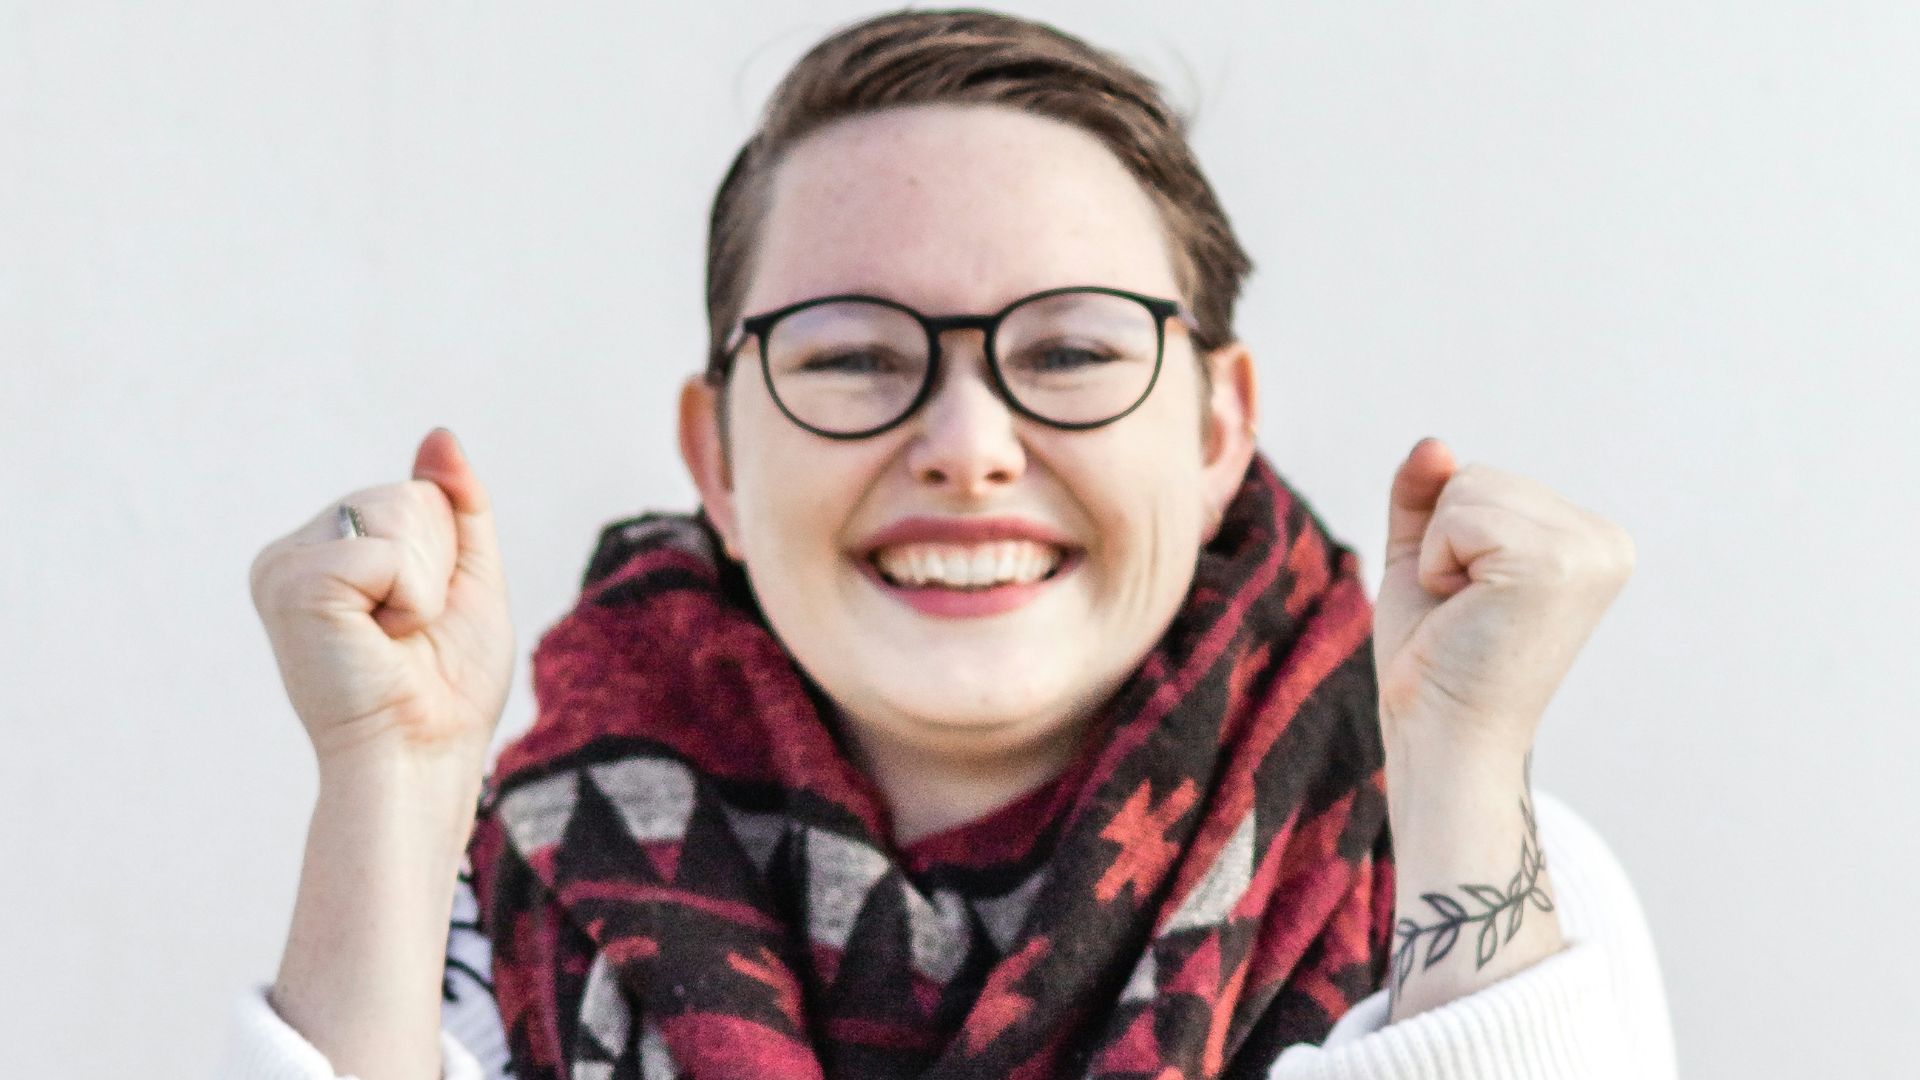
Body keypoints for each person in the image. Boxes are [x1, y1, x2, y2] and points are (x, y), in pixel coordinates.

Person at [221, 9, 1674, 1079]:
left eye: (1072, 349)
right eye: (851, 357)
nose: (968, 443)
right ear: (716, 452)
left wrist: (1463, 762)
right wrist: (392, 787)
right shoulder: (481, 896)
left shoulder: (1465, 871)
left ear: (1217, 427)